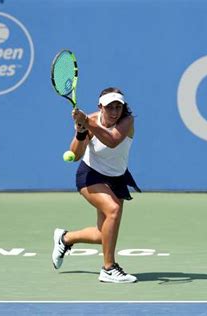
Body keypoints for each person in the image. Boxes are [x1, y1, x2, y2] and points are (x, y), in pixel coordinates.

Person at [52, 87, 140, 283]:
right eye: (110, 107)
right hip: (90, 176)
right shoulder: (91, 120)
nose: (115, 111)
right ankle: (109, 268)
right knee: (114, 211)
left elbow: (113, 140)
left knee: (103, 235)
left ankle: (65, 239)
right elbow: (74, 155)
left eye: (118, 107)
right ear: (100, 107)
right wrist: (81, 131)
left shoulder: (127, 121)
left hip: (117, 178)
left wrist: (88, 124)